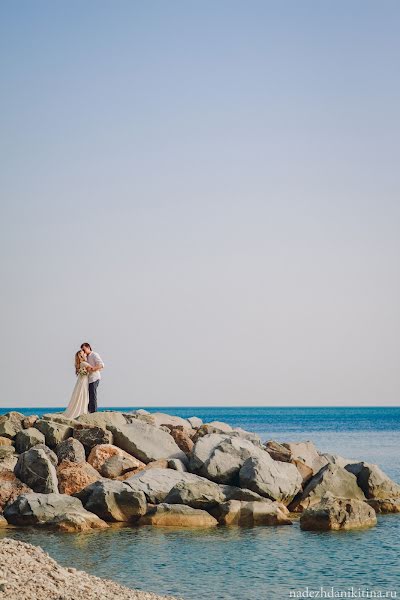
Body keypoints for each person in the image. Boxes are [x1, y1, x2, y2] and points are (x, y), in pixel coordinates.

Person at [63, 350, 92, 419]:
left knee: (80, 395)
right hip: (84, 381)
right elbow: (92, 369)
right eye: (84, 354)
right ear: (81, 356)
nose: (85, 354)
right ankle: (82, 411)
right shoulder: (84, 363)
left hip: (80, 381)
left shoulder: (80, 364)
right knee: (83, 395)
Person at [80, 342, 104, 413]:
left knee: (93, 395)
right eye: (82, 350)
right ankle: (89, 410)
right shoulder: (86, 356)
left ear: (88, 347)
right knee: (89, 395)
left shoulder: (94, 354)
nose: (83, 351)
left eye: (84, 350)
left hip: (95, 378)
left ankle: (94, 411)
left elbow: (101, 364)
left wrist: (93, 369)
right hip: (89, 379)